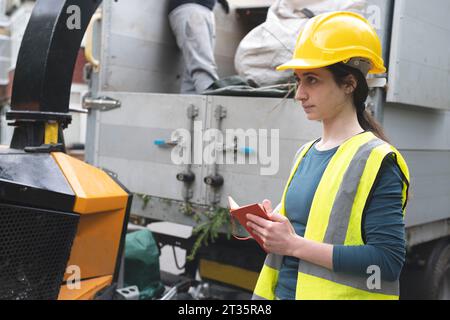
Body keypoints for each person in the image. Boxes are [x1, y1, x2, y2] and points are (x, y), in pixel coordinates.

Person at [247, 11, 411, 300]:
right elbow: (303, 232)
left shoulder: (378, 160)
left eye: (312, 80)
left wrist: (292, 245)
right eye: (298, 80)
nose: (299, 94)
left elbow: (387, 263)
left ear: (349, 84)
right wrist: (271, 228)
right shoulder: (306, 153)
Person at [168, 0, 229, 94]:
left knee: (192, 76)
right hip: (192, 8)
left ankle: (188, 105)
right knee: (202, 67)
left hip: (203, 10)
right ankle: (213, 102)